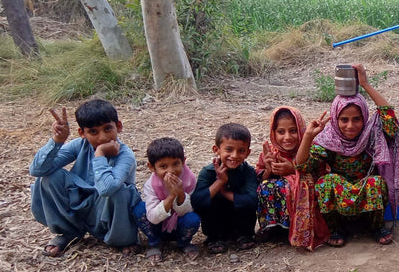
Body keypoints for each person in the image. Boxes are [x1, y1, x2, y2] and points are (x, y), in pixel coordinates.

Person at [295, 64, 399, 247]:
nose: (350, 126)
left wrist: (365, 85)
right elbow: (301, 166)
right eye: (344, 120)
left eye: (356, 119)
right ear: (335, 119)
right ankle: (337, 230)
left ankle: (377, 227)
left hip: (368, 199)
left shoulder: (372, 135)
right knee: (326, 183)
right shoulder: (329, 139)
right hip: (340, 202)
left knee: (375, 182)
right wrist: (308, 136)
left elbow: (390, 120)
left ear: (364, 118)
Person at [30, 99, 141, 257]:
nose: (102, 137)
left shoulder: (125, 155)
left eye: (108, 128)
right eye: (93, 132)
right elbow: (37, 170)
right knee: (50, 177)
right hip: (81, 206)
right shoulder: (80, 145)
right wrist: (57, 141)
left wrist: (100, 155)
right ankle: (68, 232)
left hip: (107, 210)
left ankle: (122, 239)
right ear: (82, 133)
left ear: (119, 126)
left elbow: (107, 189)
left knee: (121, 191)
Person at [255, 106, 329, 250]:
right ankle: (274, 227)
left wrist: (292, 168)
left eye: (293, 131)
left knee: (296, 186)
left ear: (301, 129)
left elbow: (308, 167)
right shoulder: (271, 152)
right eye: (281, 132)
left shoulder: (311, 148)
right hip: (280, 201)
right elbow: (260, 176)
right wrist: (269, 170)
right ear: (273, 132)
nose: (287, 137)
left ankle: (295, 228)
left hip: (312, 204)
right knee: (265, 186)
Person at [192, 123, 258, 254]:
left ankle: (243, 235)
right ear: (216, 149)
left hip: (240, 220)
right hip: (216, 220)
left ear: (248, 153)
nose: (234, 155)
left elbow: (253, 200)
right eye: (229, 149)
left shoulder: (248, 172)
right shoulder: (208, 172)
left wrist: (225, 193)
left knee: (246, 203)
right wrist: (219, 182)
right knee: (210, 201)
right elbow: (196, 202)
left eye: (241, 151)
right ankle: (214, 238)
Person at [133, 137, 200, 263]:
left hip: (179, 226)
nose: (171, 171)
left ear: (183, 162)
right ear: (152, 167)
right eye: (163, 166)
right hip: (157, 226)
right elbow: (152, 217)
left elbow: (190, 209)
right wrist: (170, 197)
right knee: (140, 210)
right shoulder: (151, 185)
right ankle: (154, 243)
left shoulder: (189, 180)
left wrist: (180, 194)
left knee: (193, 218)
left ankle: (183, 242)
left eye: (176, 164)